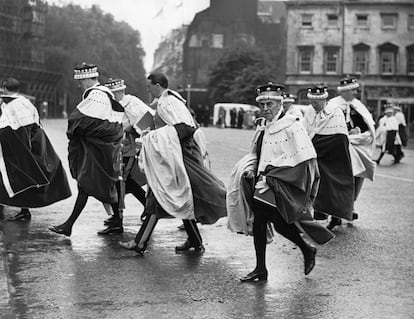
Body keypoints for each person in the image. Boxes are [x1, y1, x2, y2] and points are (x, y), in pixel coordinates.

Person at [227, 83, 334, 282]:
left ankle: (264, 267)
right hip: (263, 183)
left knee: (263, 221)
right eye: (263, 104)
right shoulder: (262, 125)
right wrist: (251, 170)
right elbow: (257, 153)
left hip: (281, 183)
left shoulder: (292, 125)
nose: (265, 108)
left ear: (280, 104)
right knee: (276, 223)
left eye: (270, 104)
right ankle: (301, 251)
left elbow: (306, 158)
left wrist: (277, 175)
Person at [119, 72, 226, 254]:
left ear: (158, 85)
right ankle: (194, 240)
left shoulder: (168, 102)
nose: (147, 88)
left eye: (149, 85)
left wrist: (152, 136)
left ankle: (140, 242)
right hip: (173, 156)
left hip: (179, 158)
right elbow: (165, 124)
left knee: (160, 196)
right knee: (182, 196)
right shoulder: (166, 101)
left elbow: (185, 128)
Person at [49, 63, 124, 236]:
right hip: (105, 149)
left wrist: (75, 132)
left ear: (90, 78)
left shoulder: (96, 95)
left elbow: (79, 120)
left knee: (86, 184)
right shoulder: (104, 94)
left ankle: (68, 226)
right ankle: (117, 223)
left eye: (82, 80)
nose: (79, 84)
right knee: (107, 184)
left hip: (98, 151)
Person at [0, 78, 71, 220]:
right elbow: (36, 124)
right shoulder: (26, 102)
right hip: (33, 143)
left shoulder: (7, 106)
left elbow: (7, 128)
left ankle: (13, 209)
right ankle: (24, 210)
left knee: (12, 177)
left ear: (5, 88)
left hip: (16, 146)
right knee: (26, 177)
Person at [97, 78, 154, 234]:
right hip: (118, 147)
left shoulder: (132, 103)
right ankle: (146, 208)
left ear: (120, 91)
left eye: (113, 93)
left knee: (120, 182)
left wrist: (131, 129)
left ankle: (118, 219)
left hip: (128, 148)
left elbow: (148, 121)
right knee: (126, 182)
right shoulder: (114, 105)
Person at [302, 85, 354, 231]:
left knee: (334, 187)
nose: (314, 104)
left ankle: (336, 216)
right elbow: (305, 131)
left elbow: (340, 138)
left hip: (333, 157)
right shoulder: (309, 112)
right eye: (312, 101)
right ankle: (317, 214)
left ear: (325, 99)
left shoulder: (335, 112)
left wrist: (320, 144)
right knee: (316, 186)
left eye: (317, 101)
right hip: (315, 156)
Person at [326, 76, 376, 220]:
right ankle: (335, 210)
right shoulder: (332, 106)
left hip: (356, 147)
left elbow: (367, 125)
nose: (355, 93)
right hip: (338, 147)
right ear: (345, 91)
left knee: (358, 175)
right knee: (337, 178)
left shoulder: (358, 105)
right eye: (353, 90)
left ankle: (350, 205)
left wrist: (359, 129)